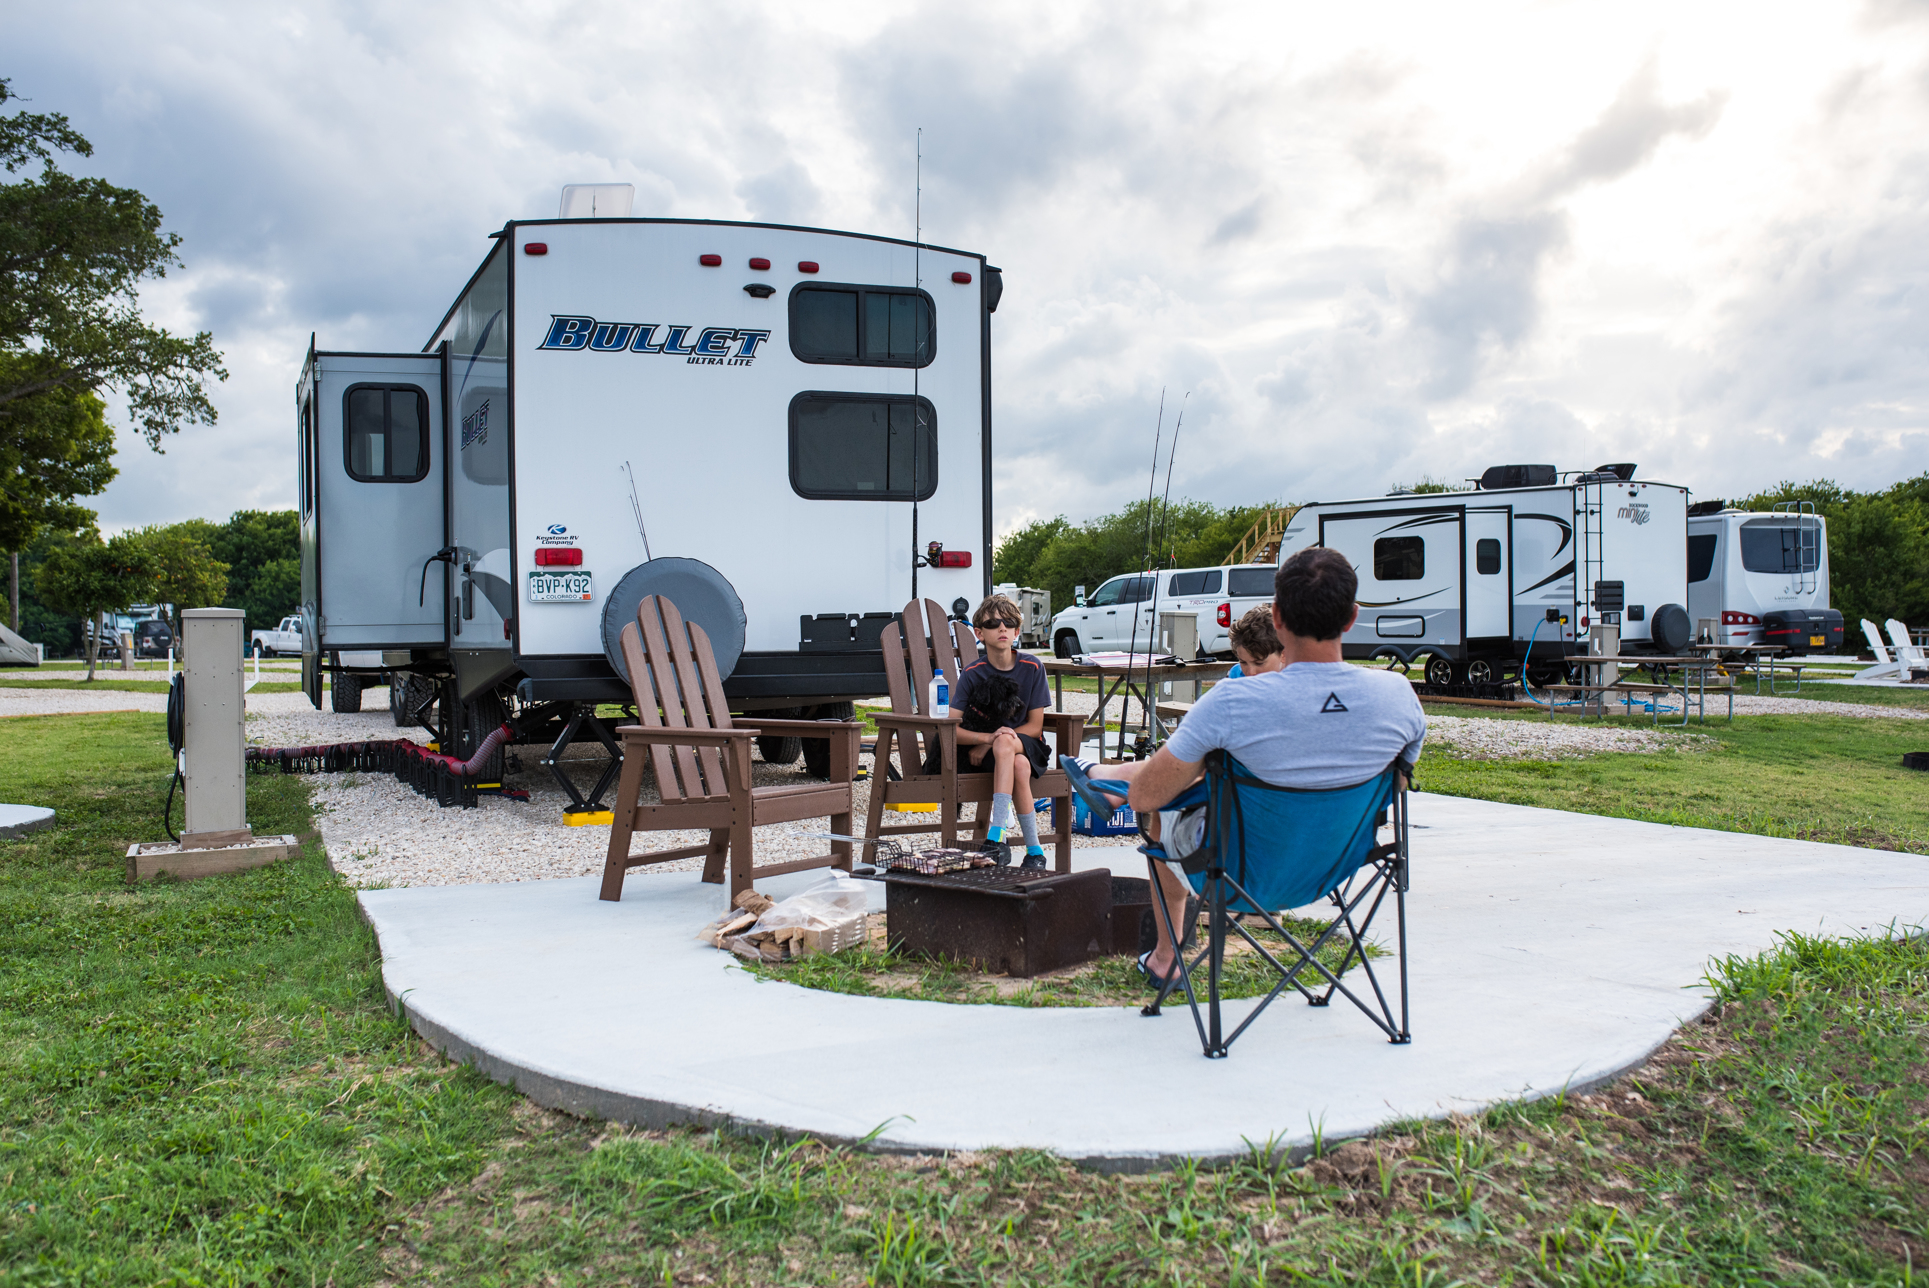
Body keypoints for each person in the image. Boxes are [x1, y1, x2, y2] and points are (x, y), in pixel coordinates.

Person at [1060, 547, 1426, 987]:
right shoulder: (1399, 697)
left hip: (1238, 874)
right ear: (1351, 617)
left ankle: (1166, 957)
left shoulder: (1232, 701)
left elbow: (1143, 797)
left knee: (1160, 813)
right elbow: (1396, 786)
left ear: (1278, 617)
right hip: (1334, 868)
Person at [950, 593, 1054, 868]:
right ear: (979, 633)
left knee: (1008, 745)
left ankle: (996, 837)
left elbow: (1035, 726)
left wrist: (993, 742)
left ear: (1017, 631)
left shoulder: (1032, 667)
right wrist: (986, 739)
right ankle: (1035, 852)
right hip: (1001, 756)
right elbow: (951, 728)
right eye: (993, 623)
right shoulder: (973, 673)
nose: (1002, 628)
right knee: (1018, 765)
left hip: (1029, 744)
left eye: (1009, 623)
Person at [1225, 605, 1284, 677]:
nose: (1250, 672)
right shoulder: (1236, 675)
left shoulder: (1295, 680)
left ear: (1284, 655)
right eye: (1243, 662)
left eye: (1259, 663)